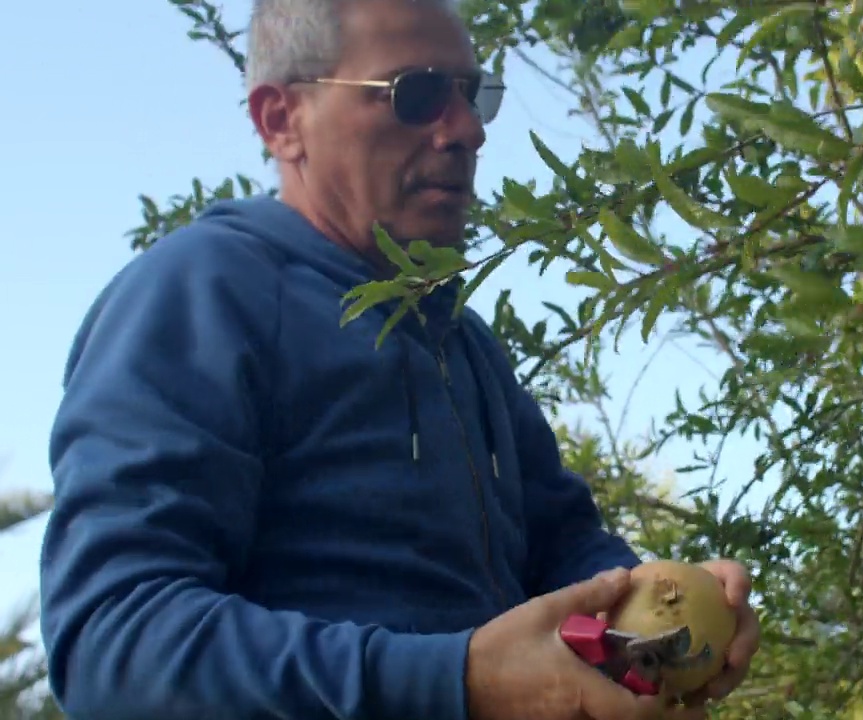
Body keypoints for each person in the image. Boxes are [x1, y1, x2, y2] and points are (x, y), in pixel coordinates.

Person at [37, 0, 760, 718]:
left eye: (474, 95)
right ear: (281, 121)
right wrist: (458, 681)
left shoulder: (463, 343)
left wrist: (661, 615)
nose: (467, 130)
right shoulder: (202, 295)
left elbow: (566, 551)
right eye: (415, 94)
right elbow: (114, 647)